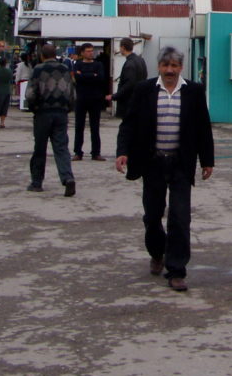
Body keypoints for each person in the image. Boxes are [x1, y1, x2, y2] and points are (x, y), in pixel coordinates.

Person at [116, 46, 214, 292]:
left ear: (181, 67)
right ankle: (157, 253)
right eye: (165, 65)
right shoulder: (144, 90)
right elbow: (129, 123)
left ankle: (177, 271)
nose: (170, 70)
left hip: (181, 163)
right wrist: (123, 152)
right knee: (152, 216)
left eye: (174, 66)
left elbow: (203, 127)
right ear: (159, 67)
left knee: (180, 218)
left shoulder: (193, 91)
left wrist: (207, 160)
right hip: (152, 163)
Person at [25, 43, 77, 196]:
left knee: (40, 148)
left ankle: (36, 182)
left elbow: (30, 94)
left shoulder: (38, 70)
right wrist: (68, 108)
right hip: (61, 113)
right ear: (55, 54)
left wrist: (33, 107)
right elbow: (72, 93)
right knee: (61, 147)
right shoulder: (66, 69)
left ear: (42, 55)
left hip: (43, 113)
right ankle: (67, 178)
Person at [72, 43, 107, 161]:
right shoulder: (78, 64)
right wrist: (92, 76)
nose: (91, 53)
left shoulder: (99, 64)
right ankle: (78, 152)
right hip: (81, 99)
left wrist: (85, 76)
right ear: (82, 53)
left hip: (95, 99)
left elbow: (101, 78)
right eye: (88, 51)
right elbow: (77, 78)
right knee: (79, 126)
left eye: (92, 51)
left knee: (95, 127)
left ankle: (96, 153)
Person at [107, 37, 148, 119]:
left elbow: (129, 84)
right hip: (139, 100)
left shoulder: (130, 63)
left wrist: (115, 96)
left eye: (120, 47)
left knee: (127, 128)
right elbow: (145, 75)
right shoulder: (140, 60)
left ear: (123, 47)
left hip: (128, 102)